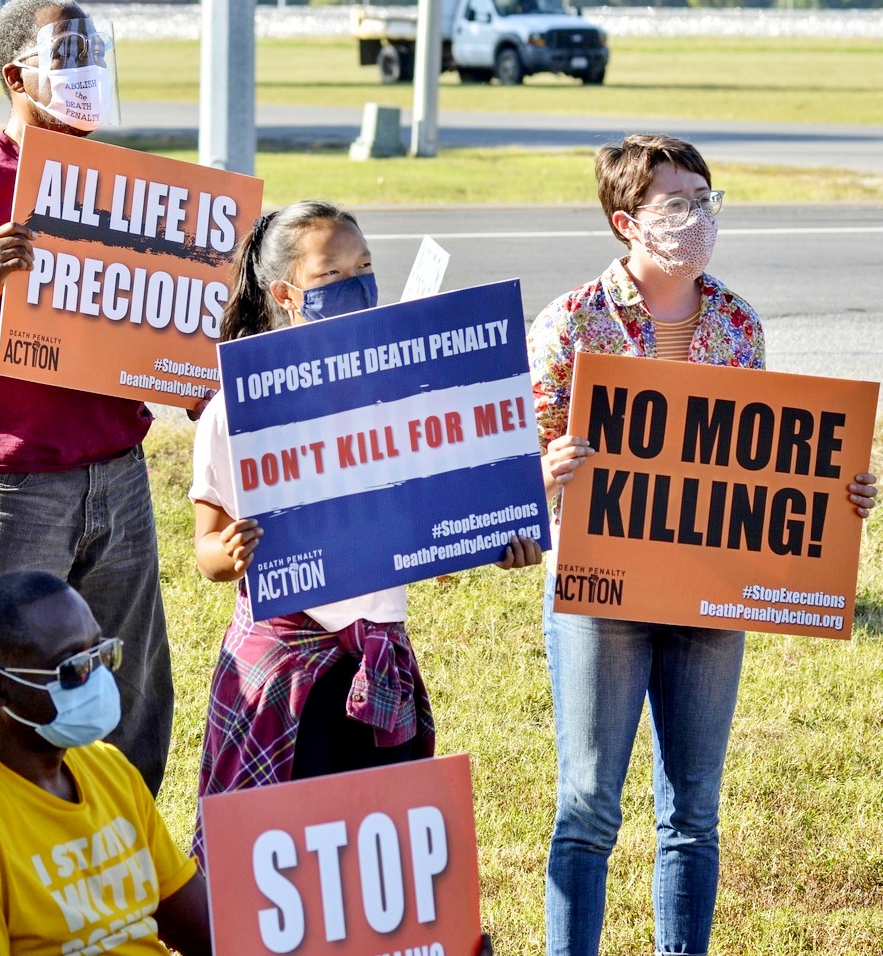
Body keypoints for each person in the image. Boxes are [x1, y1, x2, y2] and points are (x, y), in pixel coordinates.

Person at [526, 134, 878, 956]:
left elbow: (764, 468)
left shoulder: (737, 322)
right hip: (601, 591)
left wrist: (840, 495)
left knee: (693, 813)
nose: (697, 219)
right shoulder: (570, 323)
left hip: (711, 590)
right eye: (676, 205)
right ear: (627, 222)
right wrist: (547, 466)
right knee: (586, 807)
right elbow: (517, 472)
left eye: (705, 201)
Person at [189, 200, 541, 864]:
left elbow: (431, 530)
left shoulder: (401, 397)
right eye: (334, 272)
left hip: (377, 662)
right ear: (287, 295)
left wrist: (499, 535)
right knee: (282, 860)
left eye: (366, 265)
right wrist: (228, 552)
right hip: (286, 672)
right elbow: (205, 550)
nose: (358, 282)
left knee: (371, 867)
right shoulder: (236, 412)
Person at [0, 0, 172, 794]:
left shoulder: (127, 189)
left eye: (97, 50)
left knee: (129, 693)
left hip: (119, 473)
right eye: (69, 54)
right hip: (11, 486)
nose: (89, 68)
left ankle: (124, 870)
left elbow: (156, 328)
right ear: (15, 76)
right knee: (1, 693)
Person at [0, 570, 211, 955]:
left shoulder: (109, 770)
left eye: (101, 653)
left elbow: (207, 928)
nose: (99, 679)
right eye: (73, 668)